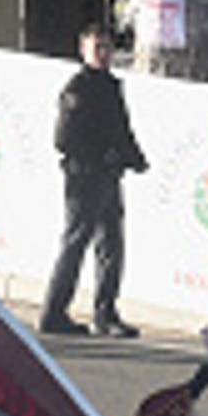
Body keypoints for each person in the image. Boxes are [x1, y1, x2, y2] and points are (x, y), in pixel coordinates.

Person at [38, 22, 146, 338]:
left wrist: (134, 157)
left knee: (111, 245)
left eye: (107, 47)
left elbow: (120, 128)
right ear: (83, 51)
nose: (103, 53)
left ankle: (105, 313)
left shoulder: (110, 86)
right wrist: (100, 158)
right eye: (97, 48)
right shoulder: (79, 88)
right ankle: (53, 312)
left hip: (108, 176)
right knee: (76, 243)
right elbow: (64, 139)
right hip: (84, 178)